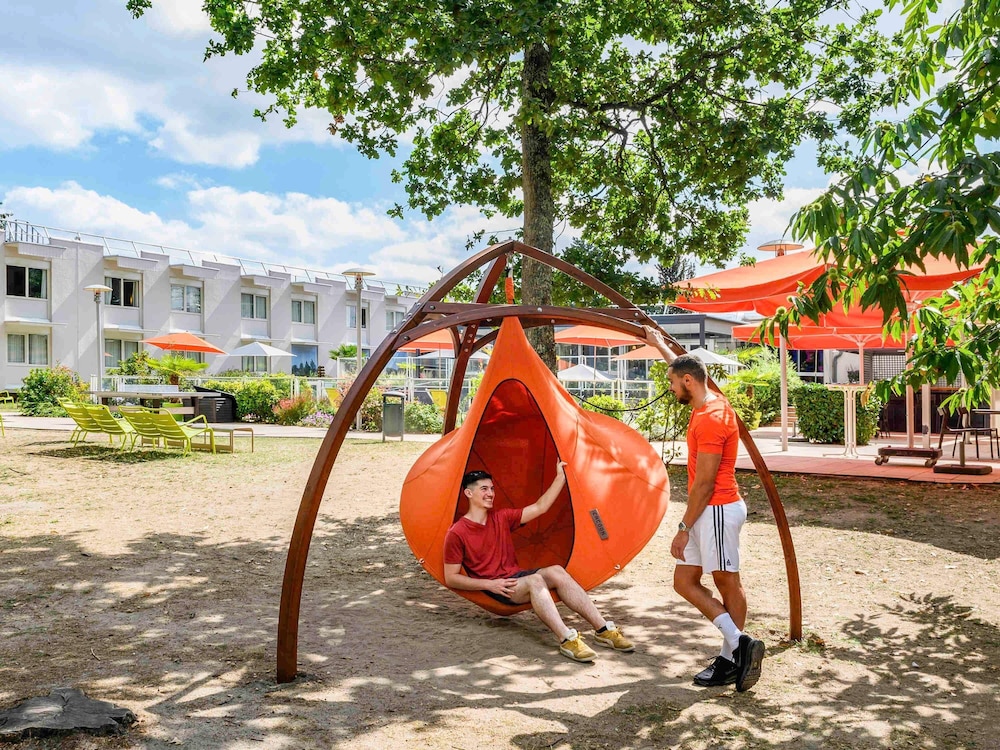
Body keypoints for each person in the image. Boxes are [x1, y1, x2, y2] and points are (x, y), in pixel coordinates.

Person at [443, 461, 634, 662]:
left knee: (556, 571)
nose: (490, 493)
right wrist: (490, 584)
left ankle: (603, 629)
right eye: (484, 489)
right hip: (498, 586)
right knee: (535, 580)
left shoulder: (501, 517)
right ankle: (567, 639)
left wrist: (560, 477)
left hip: (515, 577)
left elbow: (540, 507)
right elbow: (451, 578)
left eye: (492, 489)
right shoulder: (457, 532)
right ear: (469, 493)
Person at [667, 354, 765, 692]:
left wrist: (683, 528)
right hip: (704, 511)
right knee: (684, 581)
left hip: (716, 509)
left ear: (688, 381)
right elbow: (688, 369)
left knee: (726, 582)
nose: (670, 388)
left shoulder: (711, 418)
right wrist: (659, 345)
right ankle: (739, 644)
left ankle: (730, 659)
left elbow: (705, 483)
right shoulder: (707, 402)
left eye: (672, 382)